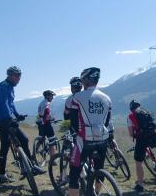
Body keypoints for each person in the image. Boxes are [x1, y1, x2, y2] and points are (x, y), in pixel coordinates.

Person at [0, 66, 45, 184]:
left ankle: (28, 166)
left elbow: (11, 103)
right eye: (16, 75)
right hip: (1, 118)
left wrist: (17, 114)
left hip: (7, 117)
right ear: (9, 75)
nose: (18, 78)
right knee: (7, 145)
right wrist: (10, 117)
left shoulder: (11, 87)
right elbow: (3, 104)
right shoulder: (3, 86)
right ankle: (3, 175)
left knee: (23, 140)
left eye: (20, 76)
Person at [68, 67, 113, 196]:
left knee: (74, 173)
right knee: (99, 169)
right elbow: (108, 121)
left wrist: (77, 132)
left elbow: (73, 122)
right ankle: (96, 192)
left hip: (84, 140)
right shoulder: (107, 98)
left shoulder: (77, 97)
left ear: (86, 80)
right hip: (102, 139)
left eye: (82, 80)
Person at [127, 100, 156, 192]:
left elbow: (131, 133)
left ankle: (140, 184)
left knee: (138, 162)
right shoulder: (146, 111)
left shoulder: (131, 116)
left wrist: (136, 134)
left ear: (131, 108)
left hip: (142, 139)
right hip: (153, 134)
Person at [36, 89, 57, 158]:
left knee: (41, 138)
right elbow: (45, 114)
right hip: (46, 124)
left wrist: (50, 118)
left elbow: (43, 114)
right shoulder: (47, 104)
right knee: (52, 140)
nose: (52, 98)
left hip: (40, 123)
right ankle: (53, 158)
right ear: (47, 96)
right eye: (51, 96)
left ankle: (35, 152)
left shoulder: (42, 103)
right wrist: (51, 119)